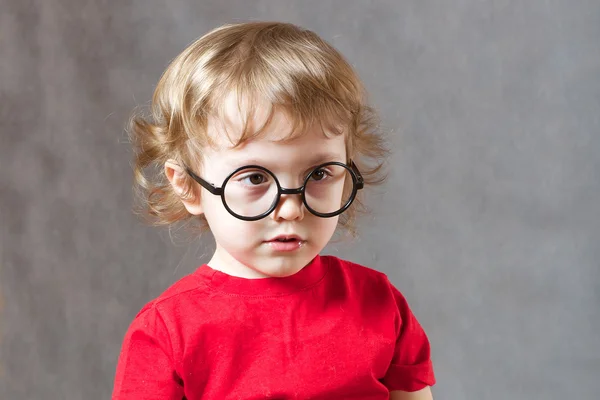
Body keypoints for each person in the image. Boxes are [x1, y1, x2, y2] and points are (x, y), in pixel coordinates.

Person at [112, 21, 435, 399]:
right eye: (254, 178)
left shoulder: (378, 302)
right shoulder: (168, 331)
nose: (291, 208)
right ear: (187, 185)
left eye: (319, 173)